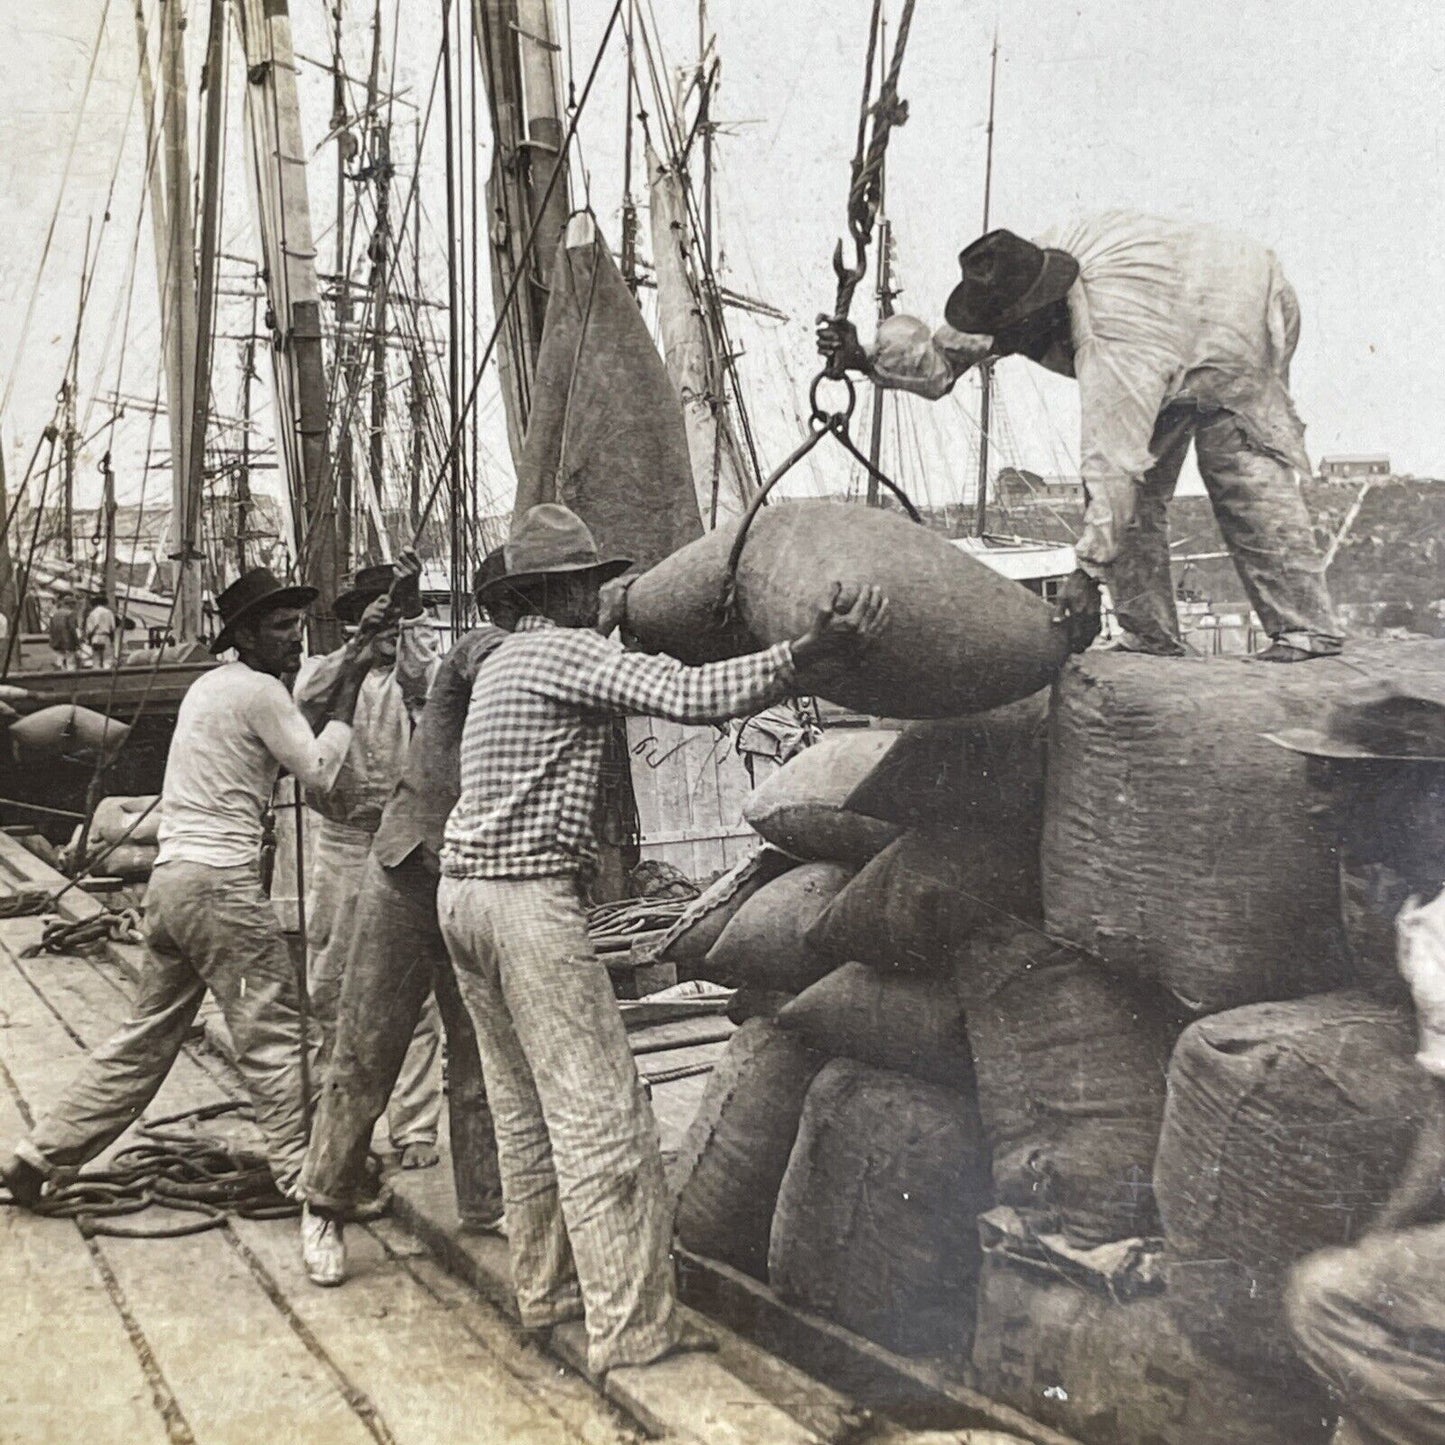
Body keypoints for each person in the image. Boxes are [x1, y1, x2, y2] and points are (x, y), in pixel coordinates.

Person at [436, 503, 888, 1376]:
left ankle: (549, 1292)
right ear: (567, 590)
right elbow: (686, 697)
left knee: (525, 1112)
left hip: (462, 900)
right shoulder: (566, 652)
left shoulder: (501, 661)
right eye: (591, 584)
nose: (600, 597)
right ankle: (633, 1328)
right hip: (527, 903)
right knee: (602, 1114)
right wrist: (804, 656)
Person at [0, 568, 378, 1264]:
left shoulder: (213, 686)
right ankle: (307, 1180)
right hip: (221, 888)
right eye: (279, 628)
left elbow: (294, 712)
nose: (294, 639)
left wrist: (350, 659)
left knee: (144, 1037)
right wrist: (354, 689)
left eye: (298, 626)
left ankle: (39, 1152)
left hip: (170, 886)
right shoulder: (263, 692)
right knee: (277, 1034)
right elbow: (319, 771)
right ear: (242, 635)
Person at [818, 211, 1344, 663]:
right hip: (1171, 300)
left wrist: (1087, 575)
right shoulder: (1016, 276)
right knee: (1132, 501)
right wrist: (864, 357)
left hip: (1235, 303)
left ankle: (1304, 629)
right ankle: (1150, 636)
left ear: (1045, 309)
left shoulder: (1110, 340)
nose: (1006, 346)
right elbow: (941, 361)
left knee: (1240, 467)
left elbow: (1113, 466)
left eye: (1015, 334)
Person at [298, 549, 518, 1288]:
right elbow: (425, 673)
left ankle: (485, 1199)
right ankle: (323, 1200)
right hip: (398, 860)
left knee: (476, 1044)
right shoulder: (446, 660)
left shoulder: (513, 660)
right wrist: (382, 633)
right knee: (365, 1037)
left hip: (469, 872)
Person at [1266, 680, 1445, 1443]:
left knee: (1330, 1296)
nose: (1315, 803)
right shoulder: (1421, 910)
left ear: (1414, 791)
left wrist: (1376, 1239)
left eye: (1337, 779)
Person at [292, 551, 447, 1188]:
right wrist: (361, 644)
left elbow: (423, 673)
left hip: (402, 846)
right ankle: (337, 1121)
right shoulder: (328, 673)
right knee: (330, 981)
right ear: (357, 623)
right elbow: (311, 697)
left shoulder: (422, 675)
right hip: (339, 841)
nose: (389, 635)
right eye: (375, 622)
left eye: (398, 622)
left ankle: (414, 1126)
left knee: (417, 995)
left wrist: (406, 613)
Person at [85, 594, 119, 668]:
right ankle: (106, 675)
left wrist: (88, 639)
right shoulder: (109, 612)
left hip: (95, 637)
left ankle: (96, 675)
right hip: (105, 637)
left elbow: (89, 630)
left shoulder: (91, 613)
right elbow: (113, 627)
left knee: (96, 659)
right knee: (107, 659)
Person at [48, 591, 80, 669]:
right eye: (73, 603)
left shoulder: (55, 613)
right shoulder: (71, 613)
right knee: (71, 662)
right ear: (69, 604)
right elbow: (72, 628)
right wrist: (77, 641)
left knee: (59, 660)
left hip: (57, 640)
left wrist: (52, 639)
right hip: (68, 641)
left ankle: (59, 675)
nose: (75, 605)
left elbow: (51, 628)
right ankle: (70, 678)